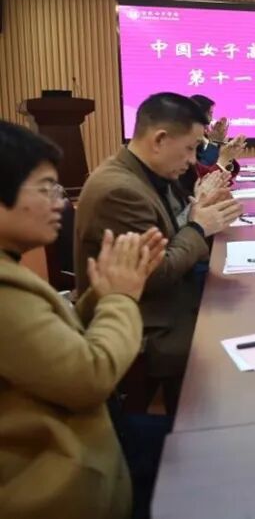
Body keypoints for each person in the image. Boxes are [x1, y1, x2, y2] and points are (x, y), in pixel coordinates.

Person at [0, 120, 166, 519]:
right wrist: (121, 297)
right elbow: (91, 377)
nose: (60, 204)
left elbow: (52, 342)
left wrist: (103, 293)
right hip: (65, 482)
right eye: (45, 189)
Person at [75, 93, 244, 413]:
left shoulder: (148, 174)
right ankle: (199, 427)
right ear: (160, 140)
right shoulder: (120, 190)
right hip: (149, 320)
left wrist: (198, 211)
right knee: (237, 336)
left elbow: (171, 234)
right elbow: (155, 275)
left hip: (167, 299)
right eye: (190, 148)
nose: (193, 160)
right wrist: (198, 227)